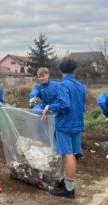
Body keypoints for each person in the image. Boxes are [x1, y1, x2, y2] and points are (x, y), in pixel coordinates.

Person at [42, 59, 86, 198]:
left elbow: (64, 105)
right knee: (72, 154)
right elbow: (82, 106)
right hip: (77, 124)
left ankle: (69, 190)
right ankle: (66, 182)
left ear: (61, 71)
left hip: (65, 125)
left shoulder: (63, 85)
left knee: (68, 155)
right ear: (75, 70)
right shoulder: (81, 86)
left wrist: (50, 107)